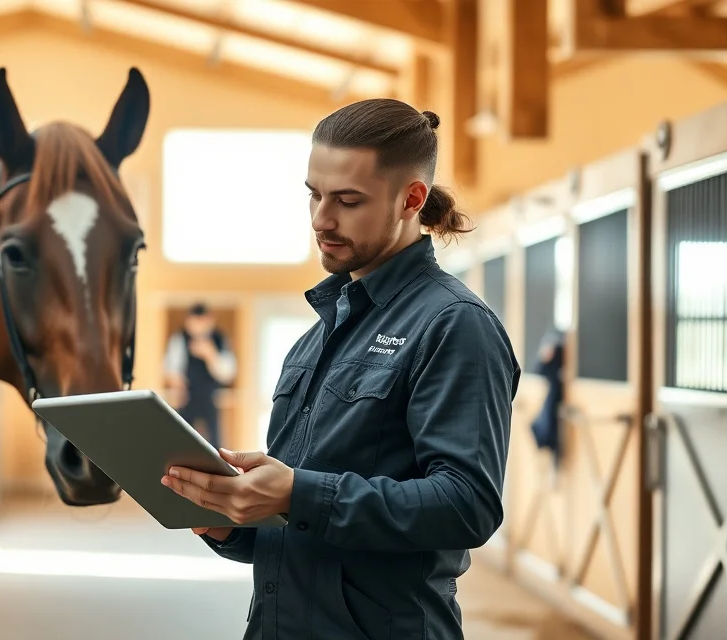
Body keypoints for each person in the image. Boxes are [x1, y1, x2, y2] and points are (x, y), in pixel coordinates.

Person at [160, 99, 520, 639]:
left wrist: (298, 492)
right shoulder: (319, 334)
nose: (321, 219)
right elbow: (304, 532)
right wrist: (231, 523)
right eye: (314, 194)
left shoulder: (454, 325)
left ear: (411, 199)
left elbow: (467, 504)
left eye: (348, 201)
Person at [163, 303, 237, 448]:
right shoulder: (179, 338)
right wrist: (177, 385)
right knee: (182, 438)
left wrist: (210, 354)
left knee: (215, 442)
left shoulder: (220, 339)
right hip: (186, 398)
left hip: (211, 398)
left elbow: (228, 372)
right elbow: (171, 368)